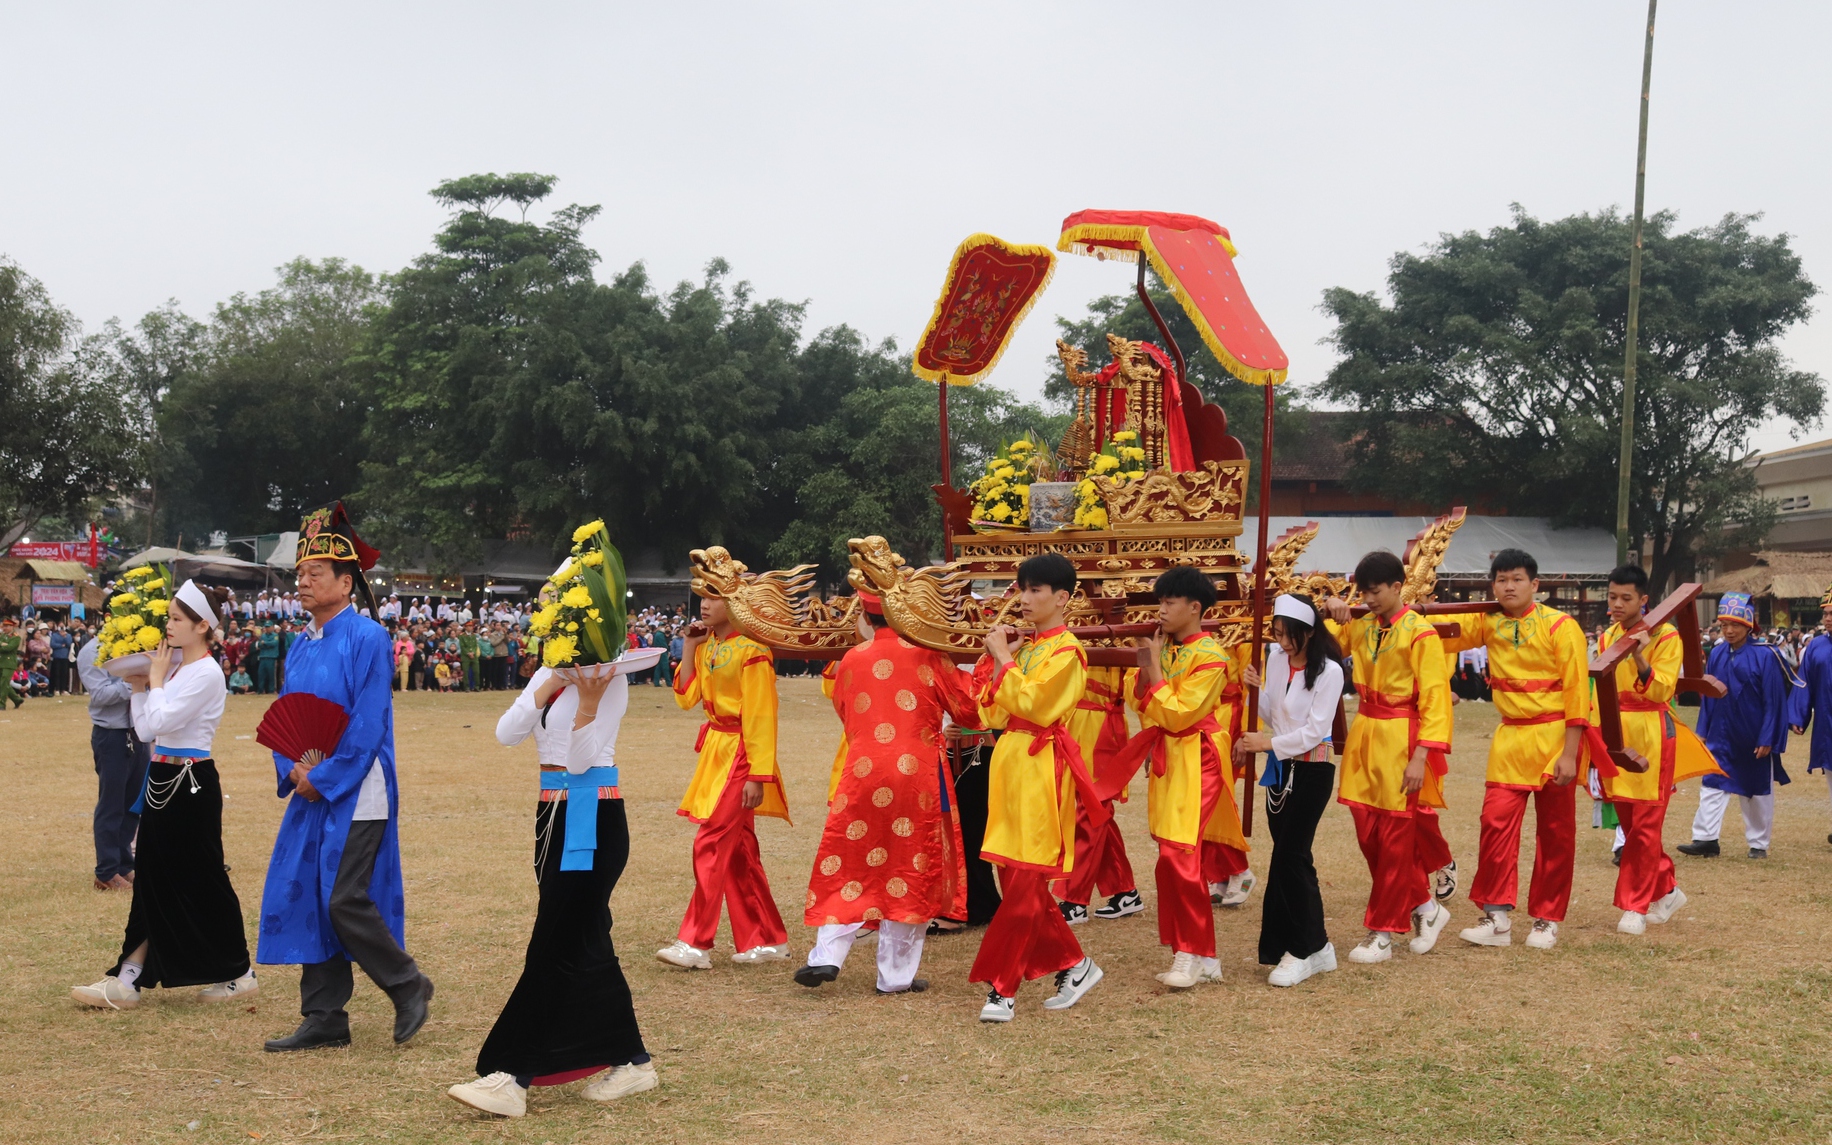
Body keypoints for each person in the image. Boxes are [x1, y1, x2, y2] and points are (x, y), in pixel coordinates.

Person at [447, 661, 658, 1117]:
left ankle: (513, 1074)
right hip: (552, 816)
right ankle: (633, 1061)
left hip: (593, 816)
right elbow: (507, 732)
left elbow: (582, 761)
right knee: (585, 941)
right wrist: (549, 684)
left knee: (554, 945)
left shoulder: (610, 677)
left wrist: (587, 701)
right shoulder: (550, 670)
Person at [261, 502, 433, 1052]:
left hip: (359, 787)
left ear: (346, 582)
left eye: (315, 575)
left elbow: (367, 723)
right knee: (312, 892)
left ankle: (408, 983)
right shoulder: (300, 642)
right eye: (299, 576)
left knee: (342, 896)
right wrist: (291, 767)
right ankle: (325, 1015)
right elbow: (286, 716)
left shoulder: (368, 638)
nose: (303, 584)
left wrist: (326, 775)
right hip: (310, 783)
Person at [71, 581, 257, 1010]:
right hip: (163, 778)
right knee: (154, 878)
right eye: (169, 617)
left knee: (205, 878)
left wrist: (151, 683)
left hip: (190, 783)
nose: (168, 626)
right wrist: (141, 686)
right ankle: (129, 977)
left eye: (176, 619)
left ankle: (237, 972)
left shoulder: (207, 672)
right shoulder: (174, 670)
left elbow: (157, 725)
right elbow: (144, 727)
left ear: (202, 626)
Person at [794, 591, 980, 995]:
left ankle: (826, 954)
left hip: (862, 770)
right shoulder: (930, 656)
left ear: (865, 615)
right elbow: (970, 710)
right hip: (918, 776)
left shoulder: (851, 658)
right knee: (912, 866)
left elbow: (845, 710)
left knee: (849, 861)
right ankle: (895, 976)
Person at [969, 553, 1103, 1022]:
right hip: (1009, 763)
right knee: (1014, 876)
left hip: (1042, 766)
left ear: (1062, 597)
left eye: (1035, 591)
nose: (1023, 599)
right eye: (1021, 589)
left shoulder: (1068, 652)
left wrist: (1003, 657)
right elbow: (990, 713)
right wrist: (995, 660)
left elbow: (1037, 705)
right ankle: (1074, 964)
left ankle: (1002, 987)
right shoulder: (1026, 649)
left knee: (1026, 880)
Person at [1436, 549, 1588, 950]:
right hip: (1509, 739)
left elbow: (1577, 694)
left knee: (1555, 833)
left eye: (1517, 579)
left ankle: (1546, 919)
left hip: (1554, 738)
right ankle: (1497, 917)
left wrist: (1571, 754)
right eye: (1501, 579)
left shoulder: (1561, 626)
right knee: (1495, 825)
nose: (1508, 586)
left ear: (1534, 585)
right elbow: (1438, 629)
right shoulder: (1488, 623)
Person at [1109, 566, 1248, 989]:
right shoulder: (1164, 648)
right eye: (1160, 601)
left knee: (1180, 853)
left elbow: (1177, 712)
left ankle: (1192, 953)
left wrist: (1151, 673)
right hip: (1169, 753)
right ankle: (1198, 954)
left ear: (1195, 607)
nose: (1162, 609)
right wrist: (1149, 671)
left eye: (1170, 602)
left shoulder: (1212, 657)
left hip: (1197, 758)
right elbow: (1142, 703)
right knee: (1169, 854)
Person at [1320, 550, 1456, 965]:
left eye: (1375, 591)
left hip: (1402, 737)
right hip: (1364, 734)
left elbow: (1435, 700)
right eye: (1363, 592)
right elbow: (1320, 643)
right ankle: (1427, 909)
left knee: (1396, 841)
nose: (1369, 599)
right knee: (1368, 835)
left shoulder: (1420, 633)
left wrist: (1420, 758)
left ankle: (1382, 931)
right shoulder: (1360, 627)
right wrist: (1331, 609)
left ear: (1398, 588)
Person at [657, 595, 792, 970]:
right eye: (702, 594)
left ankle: (695, 942)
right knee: (739, 850)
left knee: (712, 841)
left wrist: (757, 774)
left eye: (715, 596)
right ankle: (766, 939)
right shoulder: (709, 645)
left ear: (735, 603)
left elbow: (762, 716)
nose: (704, 603)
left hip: (741, 754)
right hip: (716, 751)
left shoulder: (753, 652)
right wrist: (689, 646)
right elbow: (687, 697)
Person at [1586, 565, 1713, 934]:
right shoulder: (1608, 635)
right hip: (1617, 732)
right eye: (1612, 597)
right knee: (1629, 822)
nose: (1617, 604)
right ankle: (1667, 889)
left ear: (1644, 600)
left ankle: (1634, 907)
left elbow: (1662, 692)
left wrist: (1641, 656)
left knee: (1644, 825)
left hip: (1654, 733)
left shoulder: (1667, 635)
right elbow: (1599, 692)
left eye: (1626, 598)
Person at [1235, 593, 1346, 987]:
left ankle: (1305, 949)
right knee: (1294, 860)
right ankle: (1315, 947)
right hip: (1280, 770)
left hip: (1312, 770)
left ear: (1309, 633)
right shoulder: (1277, 660)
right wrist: (1255, 690)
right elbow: (1273, 711)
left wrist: (1266, 744)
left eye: (1289, 636)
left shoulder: (1330, 671)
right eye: (1277, 634)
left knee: (1290, 858)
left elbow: (1316, 729)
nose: (1282, 643)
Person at [1681, 592, 1795, 859]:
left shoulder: (1766, 656)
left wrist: (1767, 737)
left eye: (1735, 625)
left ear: (1749, 625)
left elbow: (1774, 701)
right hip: (1721, 733)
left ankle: (1758, 843)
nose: (1729, 631)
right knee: (1711, 783)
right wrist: (1703, 731)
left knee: (1756, 790)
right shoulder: (1718, 652)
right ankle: (1705, 839)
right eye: (1724, 625)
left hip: (1753, 736)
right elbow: (1708, 696)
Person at [1054, 658, 1142, 926]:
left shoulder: (1127, 631)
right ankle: (1124, 890)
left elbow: (1136, 690)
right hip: (1072, 724)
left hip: (1101, 727)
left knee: (1091, 811)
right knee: (1094, 812)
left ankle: (1074, 900)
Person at [77, 624, 151, 891]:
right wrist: (135, 684)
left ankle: (124, 865)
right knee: (111, 804)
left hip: (138, 732)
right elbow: (100, 695)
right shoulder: (91, 651)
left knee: (133, 804)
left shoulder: (135, 647)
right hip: (111, 736)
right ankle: (106, 872)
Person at [1785, 586, 1832, 848]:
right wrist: (1799, 717)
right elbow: (1805, 683)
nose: (1827, 618)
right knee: (1831, 773)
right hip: (1828, 722)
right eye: (1825, 613)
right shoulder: (1816, 647)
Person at [0, 616, 22, 709]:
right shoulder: (2, 636)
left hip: (9, 663)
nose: (5, 628)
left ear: (12, 627)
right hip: (1, 661)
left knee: (4, 683)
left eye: (7, 626)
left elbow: (9, 648)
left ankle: (2, 704)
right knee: (3, 683)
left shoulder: (16, 637)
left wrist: (2, 645)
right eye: (4, 626)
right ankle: (17, 700)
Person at [49, 621, 73, 694]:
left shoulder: (68, 635)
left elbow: (69, 644)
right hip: (57, 656)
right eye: (60, 626)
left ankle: (63, 689)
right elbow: (52, 644)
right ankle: (57, 689)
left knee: (64, 673)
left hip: (65, 657)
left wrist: (64, 637)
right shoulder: (54, 635)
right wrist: (61, 645)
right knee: (57, 673)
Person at [256, 623, 281, 695]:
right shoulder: (263, 635)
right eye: (266, 627)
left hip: (271, 657)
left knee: (271, 675)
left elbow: (274, 643)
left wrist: (265, 643)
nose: (267, 628)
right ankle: (260, 690)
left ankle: (271, 690)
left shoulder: (275, 635)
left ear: (272, 627)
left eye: (268, 627)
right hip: (263, 657)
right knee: (261, 674)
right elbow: (260, 644)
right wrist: (266, 644)